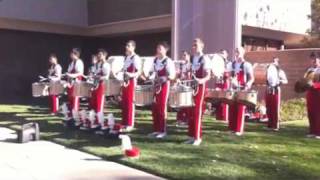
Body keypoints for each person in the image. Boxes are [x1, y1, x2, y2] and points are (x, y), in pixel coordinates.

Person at [186, 38, 211, 146]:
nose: (194, 47)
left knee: (197, 111)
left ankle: (197, 137)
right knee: (190, 111)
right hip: (192, 86)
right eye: (193, 45)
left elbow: (209, 75)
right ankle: (191, 136)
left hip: (200, 87)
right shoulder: (192, 58)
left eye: (196, 45)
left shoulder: (204, 58)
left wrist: (200, 80)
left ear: (202, 46)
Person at [149, 41, 176, 139]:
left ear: (166, 50)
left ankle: (162, 130)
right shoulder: (155, 60)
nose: (158, 50)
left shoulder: (168, 61)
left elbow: (172, 75)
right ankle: (156, 129)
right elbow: (151, 71)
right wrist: (151, 77)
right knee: (155, 107)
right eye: (157, 48)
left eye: (160, 48)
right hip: (156, 85)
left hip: (164, 86)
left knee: (161, 107)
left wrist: (164, 78)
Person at [227, 47, 254, 136]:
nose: (236, 53)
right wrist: (231, 79)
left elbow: (251, 78)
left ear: (243, 53)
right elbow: (230, 76)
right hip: (234, 88)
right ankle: (232, 128)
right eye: (236, 51)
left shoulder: (247, 64)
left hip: (242, 88)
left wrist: (248, 85)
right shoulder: (232, 64)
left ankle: (238, 129)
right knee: (232, 108)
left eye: (238, 52)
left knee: (240, 108)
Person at [121, 40, 142, 131]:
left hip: (132, 81)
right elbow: (124, 69)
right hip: (125, 81)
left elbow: (139, 71)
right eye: (126, 45)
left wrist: (131, 75)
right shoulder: (126, 58)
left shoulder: (136, 58)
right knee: (124, 102)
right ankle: (124, 122)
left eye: (129, 45)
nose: (127, 47)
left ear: (133, 47)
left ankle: (130, 123)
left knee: (130, 102)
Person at [89, 49, 111, 128]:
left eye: (100, 55)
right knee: (94, 103)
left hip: (101, 85)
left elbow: (106, 76)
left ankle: (100, 121)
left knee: (99, 103)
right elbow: (94, 73)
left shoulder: (106, 65)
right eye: (98, 54)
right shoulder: (97, 64)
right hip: (95, 84)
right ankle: (94, 120)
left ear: (104, 56)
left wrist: (98, 77)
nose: (98, 56)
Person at [265, 57, 288, 131]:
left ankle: (275, 125)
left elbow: (286, 81)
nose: (274, 63)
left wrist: (279, 81)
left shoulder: (280, 71)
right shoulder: (268, 71)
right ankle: (269, 124)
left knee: (275, 107)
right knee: (268, 107)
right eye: (273, 61)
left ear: (278, 63)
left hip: (276, 89)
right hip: (268, 89)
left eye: (276, 61)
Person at [66, 48, 84, 123]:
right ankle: (70, 116)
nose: (70, 55)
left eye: (72, 53)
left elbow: (80, 73)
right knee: (70, 99)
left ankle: (75, 117)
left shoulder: (79, 62)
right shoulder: (71, 63)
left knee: (75, 99)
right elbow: (69, 71)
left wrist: (71, 75)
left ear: (75, 54)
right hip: (71, 83)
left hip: (76, 82)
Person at [176, 50, 192, 127]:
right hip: (181, 85)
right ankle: (180, 119)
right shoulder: (181, 65)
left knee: (187, 103)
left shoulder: (191, 65)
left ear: (188, 56)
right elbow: (178, 74)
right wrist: (177, 78)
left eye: (185, 55)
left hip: (188, 85)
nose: (184, 56)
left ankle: (187, 119)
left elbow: (190, 75)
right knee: (180, 103)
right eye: (183, 55)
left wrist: (184, 77)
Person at [306, 52, 320, 139]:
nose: (314, 61)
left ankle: (319, 132)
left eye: (316, 59)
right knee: (311, 112)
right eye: (312, 59)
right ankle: (312, 131)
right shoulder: (309, 70)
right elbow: (305, 80)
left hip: (318, 92)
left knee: (318, 112)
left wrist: (315, 85)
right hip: (310, 93)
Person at [215, 49, 230, 122]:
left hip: (225, 82)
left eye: (223, 53)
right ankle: (219, 116)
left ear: (226, 55)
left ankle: (225, 117)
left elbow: (229, 72)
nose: (221, 54)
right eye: (220, 53)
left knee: (225, 99)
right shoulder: (218, 63)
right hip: (218, 81)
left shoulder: (228, 63)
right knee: (218, 99)